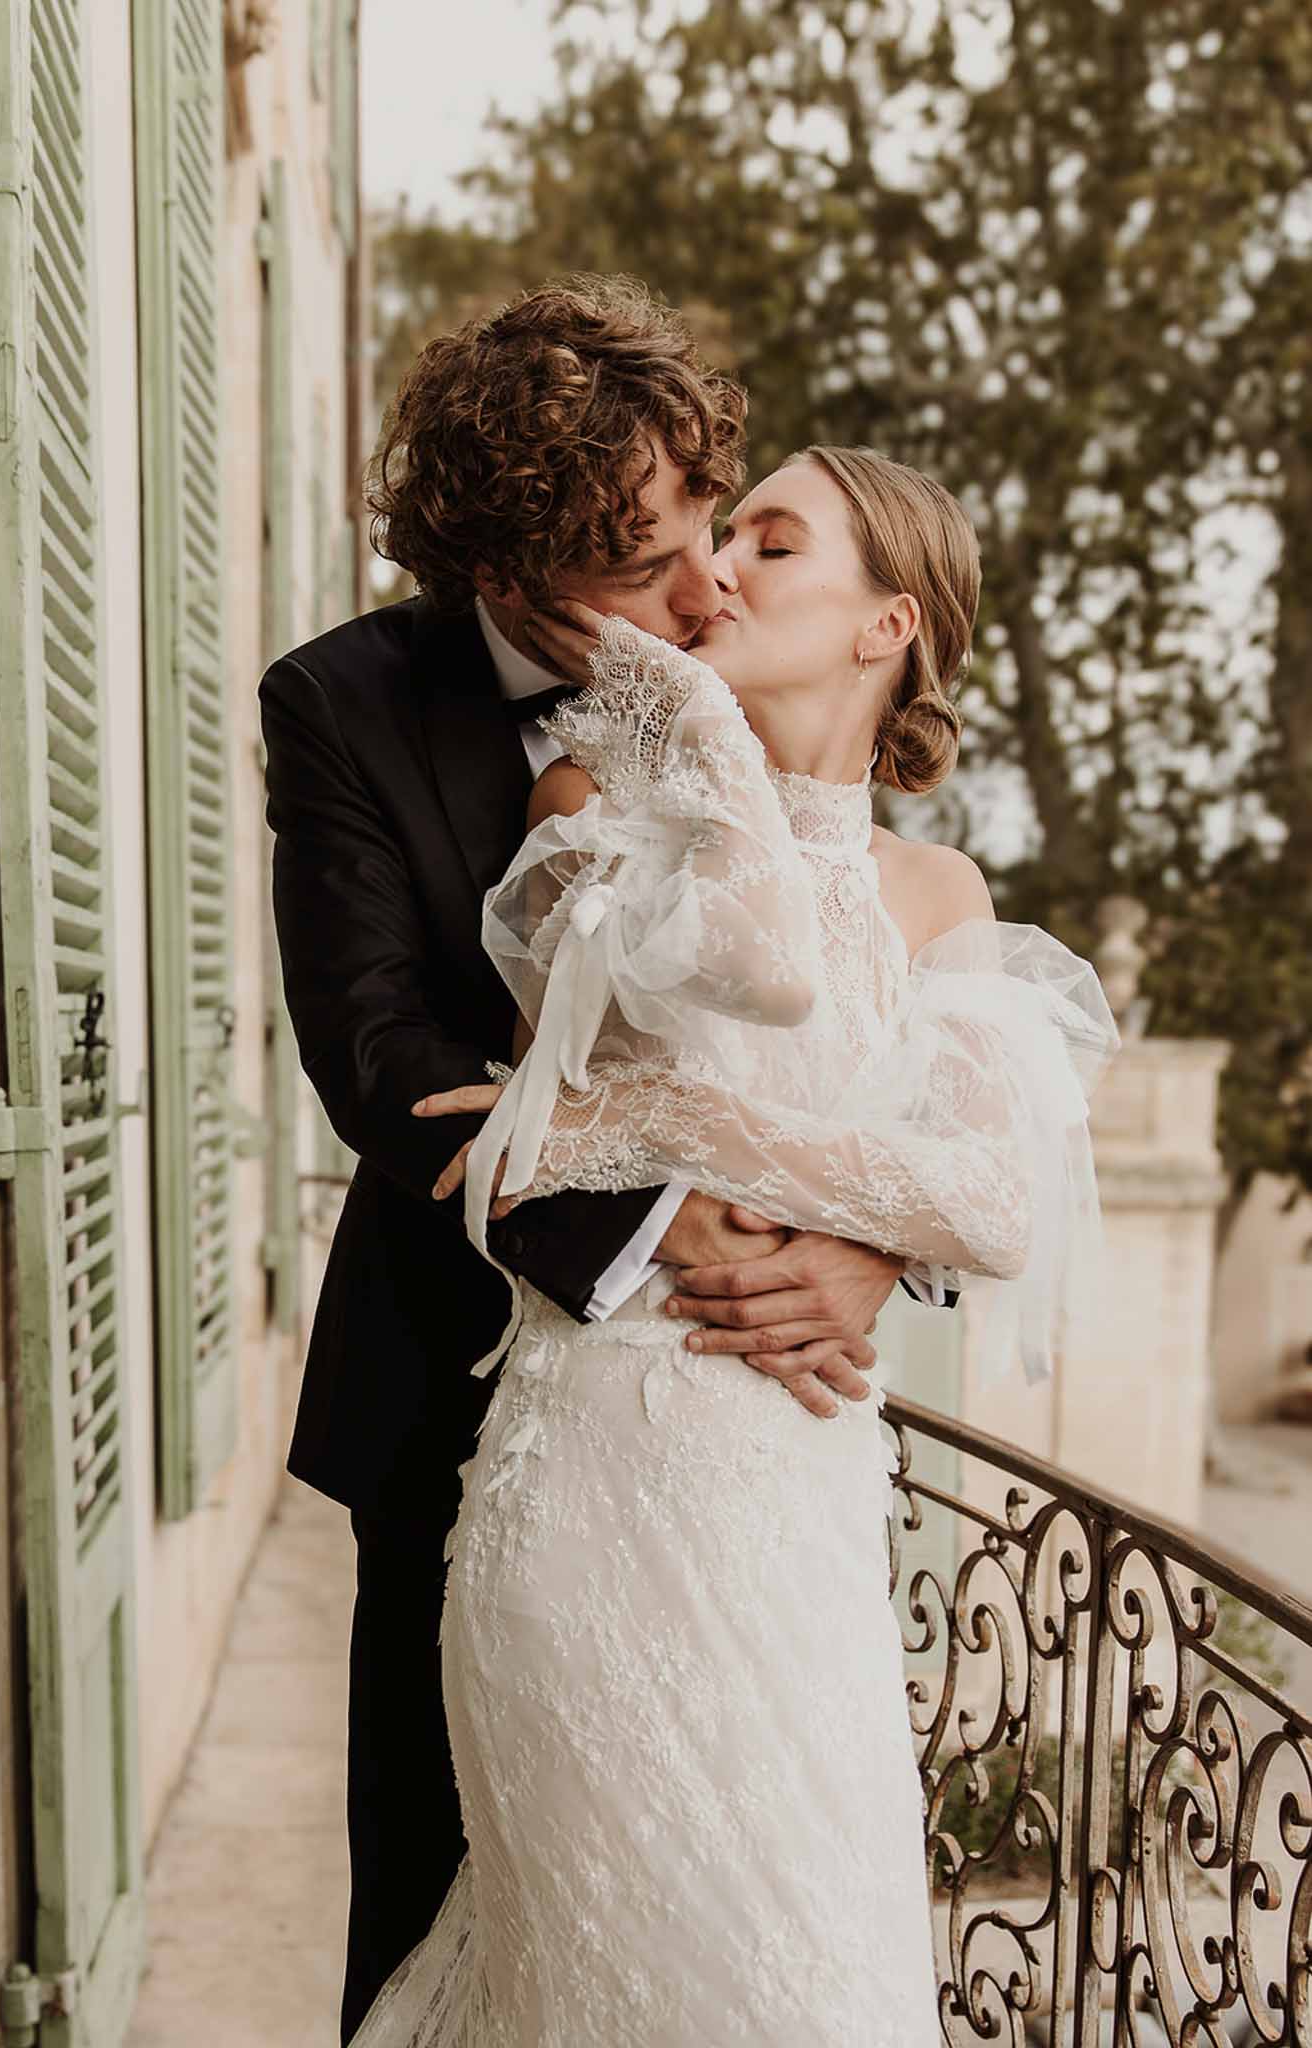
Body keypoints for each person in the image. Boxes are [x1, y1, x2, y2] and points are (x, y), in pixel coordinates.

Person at [354, 446, 1117, 2044]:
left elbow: (991, 1205)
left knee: (817, 1981)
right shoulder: (592, 813)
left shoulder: (937, 889)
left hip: (798, 1513)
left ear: (884, 625)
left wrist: (690, 1134)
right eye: (726, 535)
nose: (717, 571)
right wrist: (700, 726)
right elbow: (744, 984)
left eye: (773, 542)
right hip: (590, 1486)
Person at [259, 280, 942, 2045]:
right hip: (465, 1400)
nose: (707, 590)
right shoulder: (340, 704)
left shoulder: (751, 674)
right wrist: (656, 1224)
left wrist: (868, 1248)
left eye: (716, 526)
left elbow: (876, 1023)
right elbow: (381, 1058)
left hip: (749, 1461)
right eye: (649, 568)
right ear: (510, 572)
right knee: (451, 1910)